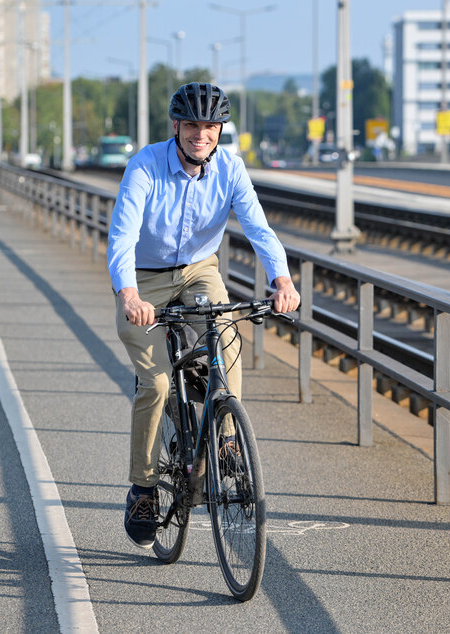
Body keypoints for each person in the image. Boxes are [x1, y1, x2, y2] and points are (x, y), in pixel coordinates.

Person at [107, 82, 300, 549]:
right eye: (192, 125)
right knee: (154, 383)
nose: (201, 134)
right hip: (145, 280)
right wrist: (129, 294)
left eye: (210, 126)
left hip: (199, 272)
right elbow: (122, 236)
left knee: (228, 340)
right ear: (176, 126)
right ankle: (144, 487)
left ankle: (227, 437)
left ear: (219, 130)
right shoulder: (145, 166)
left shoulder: (231, 169)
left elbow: (259, 228)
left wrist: (283, 280)